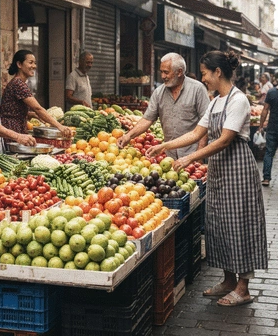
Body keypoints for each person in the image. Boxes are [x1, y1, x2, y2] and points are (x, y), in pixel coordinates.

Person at [147, 50, 268, 307]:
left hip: (238, 170)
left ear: (217, 72)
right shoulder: (215, 102)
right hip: (218, 171)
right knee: (218, 223)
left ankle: (243, 287)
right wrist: (164, 145)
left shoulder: (238, 100)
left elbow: (224, 139)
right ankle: (227, 280)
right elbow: (196, 133)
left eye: (204, 74)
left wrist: (191, 158)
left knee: (239, 224)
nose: (203, 79)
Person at [117, 52, 210, 160]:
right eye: (161, 72)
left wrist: (199, 153)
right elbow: (147, 119)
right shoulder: (158, 93)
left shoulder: (197, 89)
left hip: (192, 153)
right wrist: (128, 136)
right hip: (170, 155)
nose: (162, 76)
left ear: (179, 72)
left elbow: (206, 123)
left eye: (166, 72)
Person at [0, 50, 72, 140]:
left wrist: (31, 114)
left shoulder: (18, 82)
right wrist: (59, 126)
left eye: (35, 63)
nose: (34, 66)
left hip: (14, 128)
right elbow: (38, 108)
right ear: (19, 64)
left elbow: (13, 110)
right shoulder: (18, 84)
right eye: (31, 62)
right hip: (13, 129)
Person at [259, 84, 278, 186]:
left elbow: (265, 109)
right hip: (272, 128)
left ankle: (266, 178)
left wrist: (260, 126)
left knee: (269, 152)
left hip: (272, 127)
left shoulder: (271, 92)